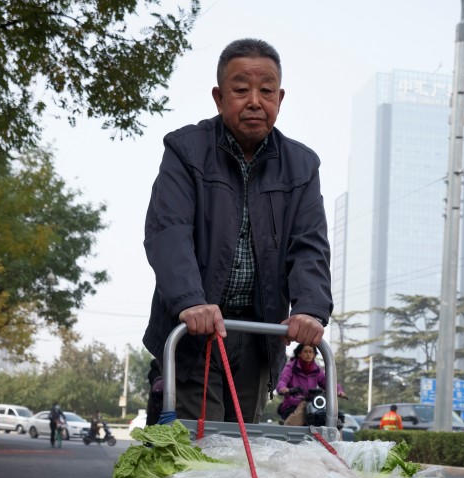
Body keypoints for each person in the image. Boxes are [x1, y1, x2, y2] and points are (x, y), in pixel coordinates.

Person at [142, 38, 333, 425]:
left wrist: (310, 309)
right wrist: (189, 301)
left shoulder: (301, 166)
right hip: (197, 327)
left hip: (259, 332)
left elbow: (309, 244)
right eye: (241, 89)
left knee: (244, 448)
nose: (255, 101)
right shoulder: (186, 151)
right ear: (219, 96)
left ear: (280, 97)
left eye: (266, 91)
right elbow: (169, 230)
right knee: (202, 445)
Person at [275, 344, 343, 425]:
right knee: (299, 415)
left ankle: (333, 436)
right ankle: (288, 428)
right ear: (299, 353)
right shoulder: (290, 367)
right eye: (306, 351)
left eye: (311, 352)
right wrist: (283, 388)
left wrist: (338, 390)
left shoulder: (317, 370)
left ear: (314, 355)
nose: (308, 354)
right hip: (293, 405)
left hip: (312, 404)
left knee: (335, 419)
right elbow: (282, 379)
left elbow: (327, 382)